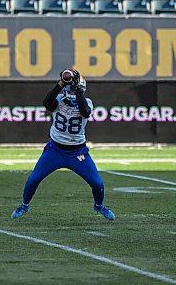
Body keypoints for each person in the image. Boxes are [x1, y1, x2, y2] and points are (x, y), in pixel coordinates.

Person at [11, 68, 115, 220]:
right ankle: (24, 205)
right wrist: (60, 84)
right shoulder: (58, 100)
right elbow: (47, 103)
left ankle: (99, 206)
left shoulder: (87, 102)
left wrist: (78, 93)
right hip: (55, 150)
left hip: (77, 153)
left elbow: (85, 112)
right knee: (33, 179)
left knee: (97, 183)